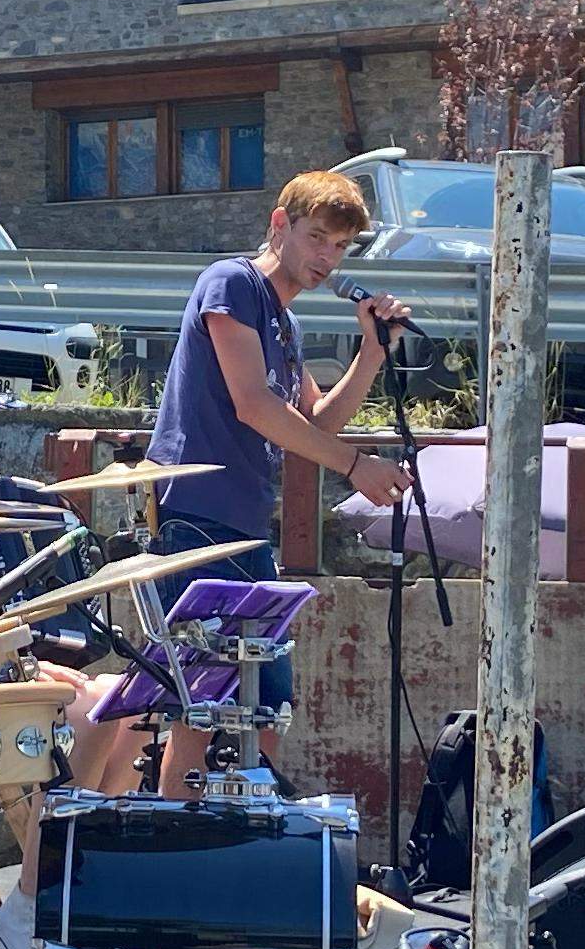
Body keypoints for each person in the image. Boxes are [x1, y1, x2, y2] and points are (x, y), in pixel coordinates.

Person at [109, 169, 413, 796]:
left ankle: (229, 849)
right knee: (202, 711)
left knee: (268, 710)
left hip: (245, 533)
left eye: (340, 247)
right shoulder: (231, 283)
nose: (327, 257)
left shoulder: (286, 326)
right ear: (280, 225)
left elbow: (309, 427)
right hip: (195, 521)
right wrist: (356, 465)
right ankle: (174, 850)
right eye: (317, 238)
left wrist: (371, 356)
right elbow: (254, 406)